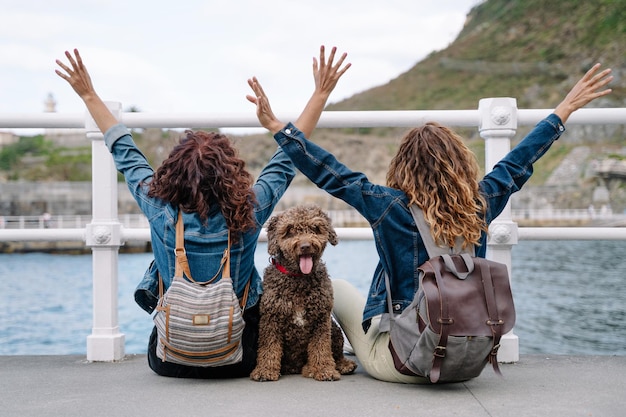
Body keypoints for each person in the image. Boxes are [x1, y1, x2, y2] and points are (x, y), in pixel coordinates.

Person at [248, 61, 613, 383]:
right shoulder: (480, 203)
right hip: (467, 365)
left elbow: (334, 175)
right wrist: (563, 110)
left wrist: (280, 127)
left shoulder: (389, 207)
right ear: (460, 164)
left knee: (338, 287)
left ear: (403, 167)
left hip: (403, 364)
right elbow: (516, 165)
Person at [55, 45, 350, 378]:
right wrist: (320, 94)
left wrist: (89, 94)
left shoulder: (159, 207)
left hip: (170, 360)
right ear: (233, 173)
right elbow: (286, 160)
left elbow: (125, 152)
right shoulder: (250, 209)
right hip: (239, 356)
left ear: (173, 173)